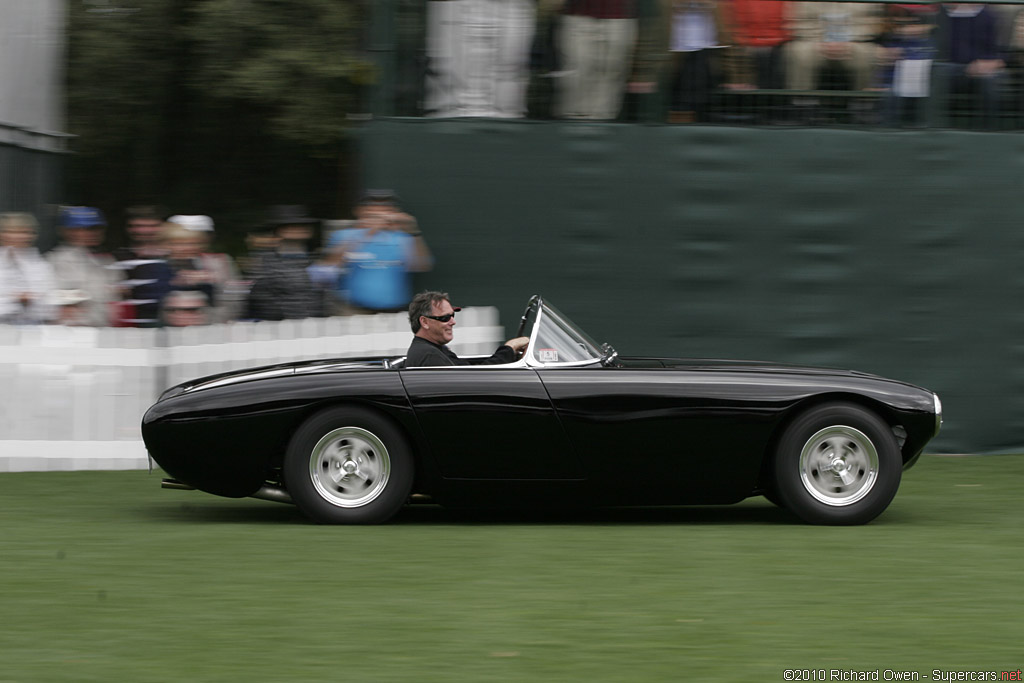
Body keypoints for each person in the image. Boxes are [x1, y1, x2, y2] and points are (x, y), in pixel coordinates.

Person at [329, 191, 433, 315]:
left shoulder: (403, 237)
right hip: (354, 309)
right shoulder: (344, 235)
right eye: (373, 206)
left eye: (387, 207)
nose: (380, 211)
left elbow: (421, 265)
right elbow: (330, 266)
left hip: (396, 310)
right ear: (359, 211)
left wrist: (413, 231)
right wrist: (369, 232)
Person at [404, 290, 529, 367]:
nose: (453, 322)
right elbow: (477, 380)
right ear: (425, 322)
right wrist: (510, 348)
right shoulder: (428, 355)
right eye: (445, 318)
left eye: (452, 315)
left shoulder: (436, 349)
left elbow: (470, 370)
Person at [45, 206, 122, 326]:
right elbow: (55, 299)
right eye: (85, 229)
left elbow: (116, 298)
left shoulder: (108, 261)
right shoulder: (55, 260)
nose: (92, 233)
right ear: (67, 231)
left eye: (96, 228)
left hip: (104, 329)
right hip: (71, 330)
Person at [246, 205, 324, 321]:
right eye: (294, 226)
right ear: (280, 231)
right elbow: (262, 299)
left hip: (317, 326)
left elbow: (323, 295)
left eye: (304, 226)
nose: (301, 229)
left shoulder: (317, 259)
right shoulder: (265, 261)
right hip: (280, 327)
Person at [113, 205, 173, 327]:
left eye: (152, 226)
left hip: (170, 323)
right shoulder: (117, 258)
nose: (144, 231)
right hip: (129, 326)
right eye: (138, 226)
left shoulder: (174, 256)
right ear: (128, 228)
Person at [0, 212, 56, 325]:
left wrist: (31, 301)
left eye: (25, 232)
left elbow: (51, 307)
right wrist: (14, 300)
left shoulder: (43, 266)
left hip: (33, 331)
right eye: (11, 231)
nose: (19, 237)